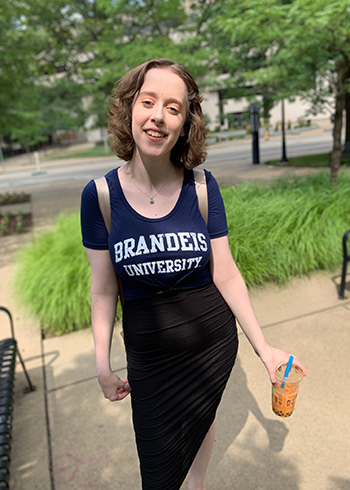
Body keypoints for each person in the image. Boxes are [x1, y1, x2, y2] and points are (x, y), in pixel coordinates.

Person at [80, 58, 306, 490]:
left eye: (173, 107)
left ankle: (197, 485)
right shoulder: (101, 196)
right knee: (156, 462)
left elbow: (227, 274)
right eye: (148, 102)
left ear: (185, 124)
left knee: (202, 418)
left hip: (211, 344)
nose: (158, 116)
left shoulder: (201, 187)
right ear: (130, 109)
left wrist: (264, 349)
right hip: (148, 354)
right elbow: (104, 289)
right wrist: (101, 362)